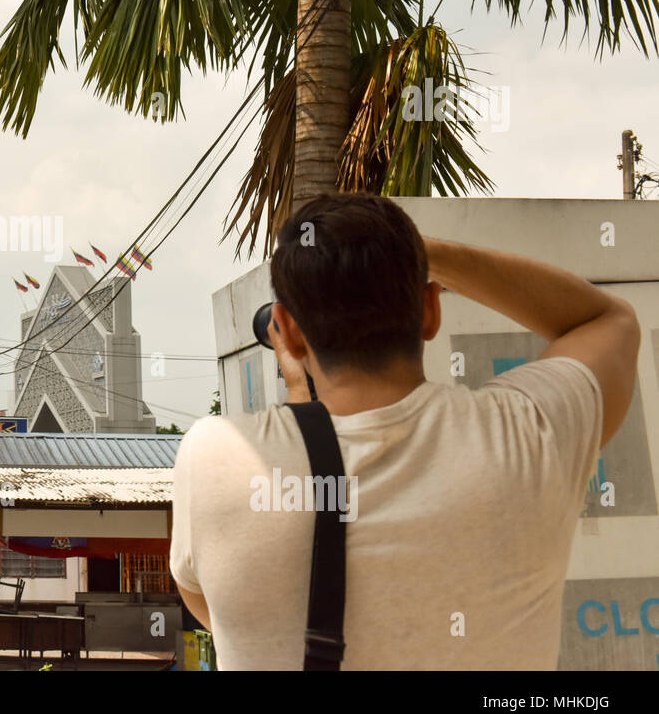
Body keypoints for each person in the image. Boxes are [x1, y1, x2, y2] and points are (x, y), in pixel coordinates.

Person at [172, 193, 640, 669]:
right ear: (431, 311)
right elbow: (607, 319)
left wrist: (299, 395)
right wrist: (419, 253)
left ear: (287, 332)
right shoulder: (530, 432)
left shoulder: (214, 457)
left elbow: (227, 609)